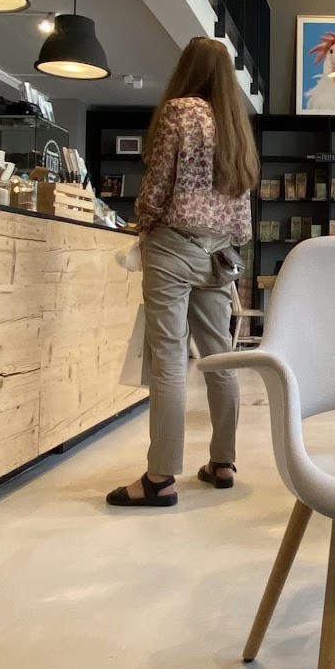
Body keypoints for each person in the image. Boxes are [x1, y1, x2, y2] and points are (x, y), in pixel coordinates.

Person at [107, 36, 258, 508]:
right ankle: (223, 462)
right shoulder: (236, 124)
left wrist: (143, 221)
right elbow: (243, 210)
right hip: (219, 255)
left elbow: (157, 186)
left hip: (172, 246)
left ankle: (159, 478)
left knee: (171, 360)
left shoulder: (179, 111)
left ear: (187, 69)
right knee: (219, 357)